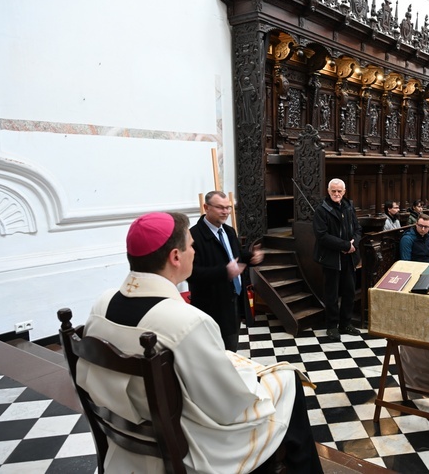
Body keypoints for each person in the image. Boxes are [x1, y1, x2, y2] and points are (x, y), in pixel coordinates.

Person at [78, 212, 323, 473]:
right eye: (191, 245)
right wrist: (257, 382)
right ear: (175, 257)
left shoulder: (102, 303)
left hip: (129, 436)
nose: (194, 251)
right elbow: (228, 404)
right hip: (191, 446)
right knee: (288, 380)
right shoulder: (186, 321)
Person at [188, 191, 263, 352]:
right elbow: (191, 273)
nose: (226, 212)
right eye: (220, 208)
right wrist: (224, 272)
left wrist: (251, 257)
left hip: (233, 301)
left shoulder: (229, 231)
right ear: (206, 207)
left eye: (228, 208)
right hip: (211, 306)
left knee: (231, 349)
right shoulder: (193, 236)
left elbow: (236, 256)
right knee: (214, 352)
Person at [313, 178, 362, 342]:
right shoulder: (322, 210)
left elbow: (357, 228)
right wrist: (345, 245)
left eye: (339, 191)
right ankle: (332, 326)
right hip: (331, 258)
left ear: (344, 192)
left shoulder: (349, 206)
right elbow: (322, 236)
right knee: (331, 294)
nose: (336, 194)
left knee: (349, 292)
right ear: (328, 191)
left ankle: (345, 323)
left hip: (349, 257)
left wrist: (353, 243)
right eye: (333, 191)